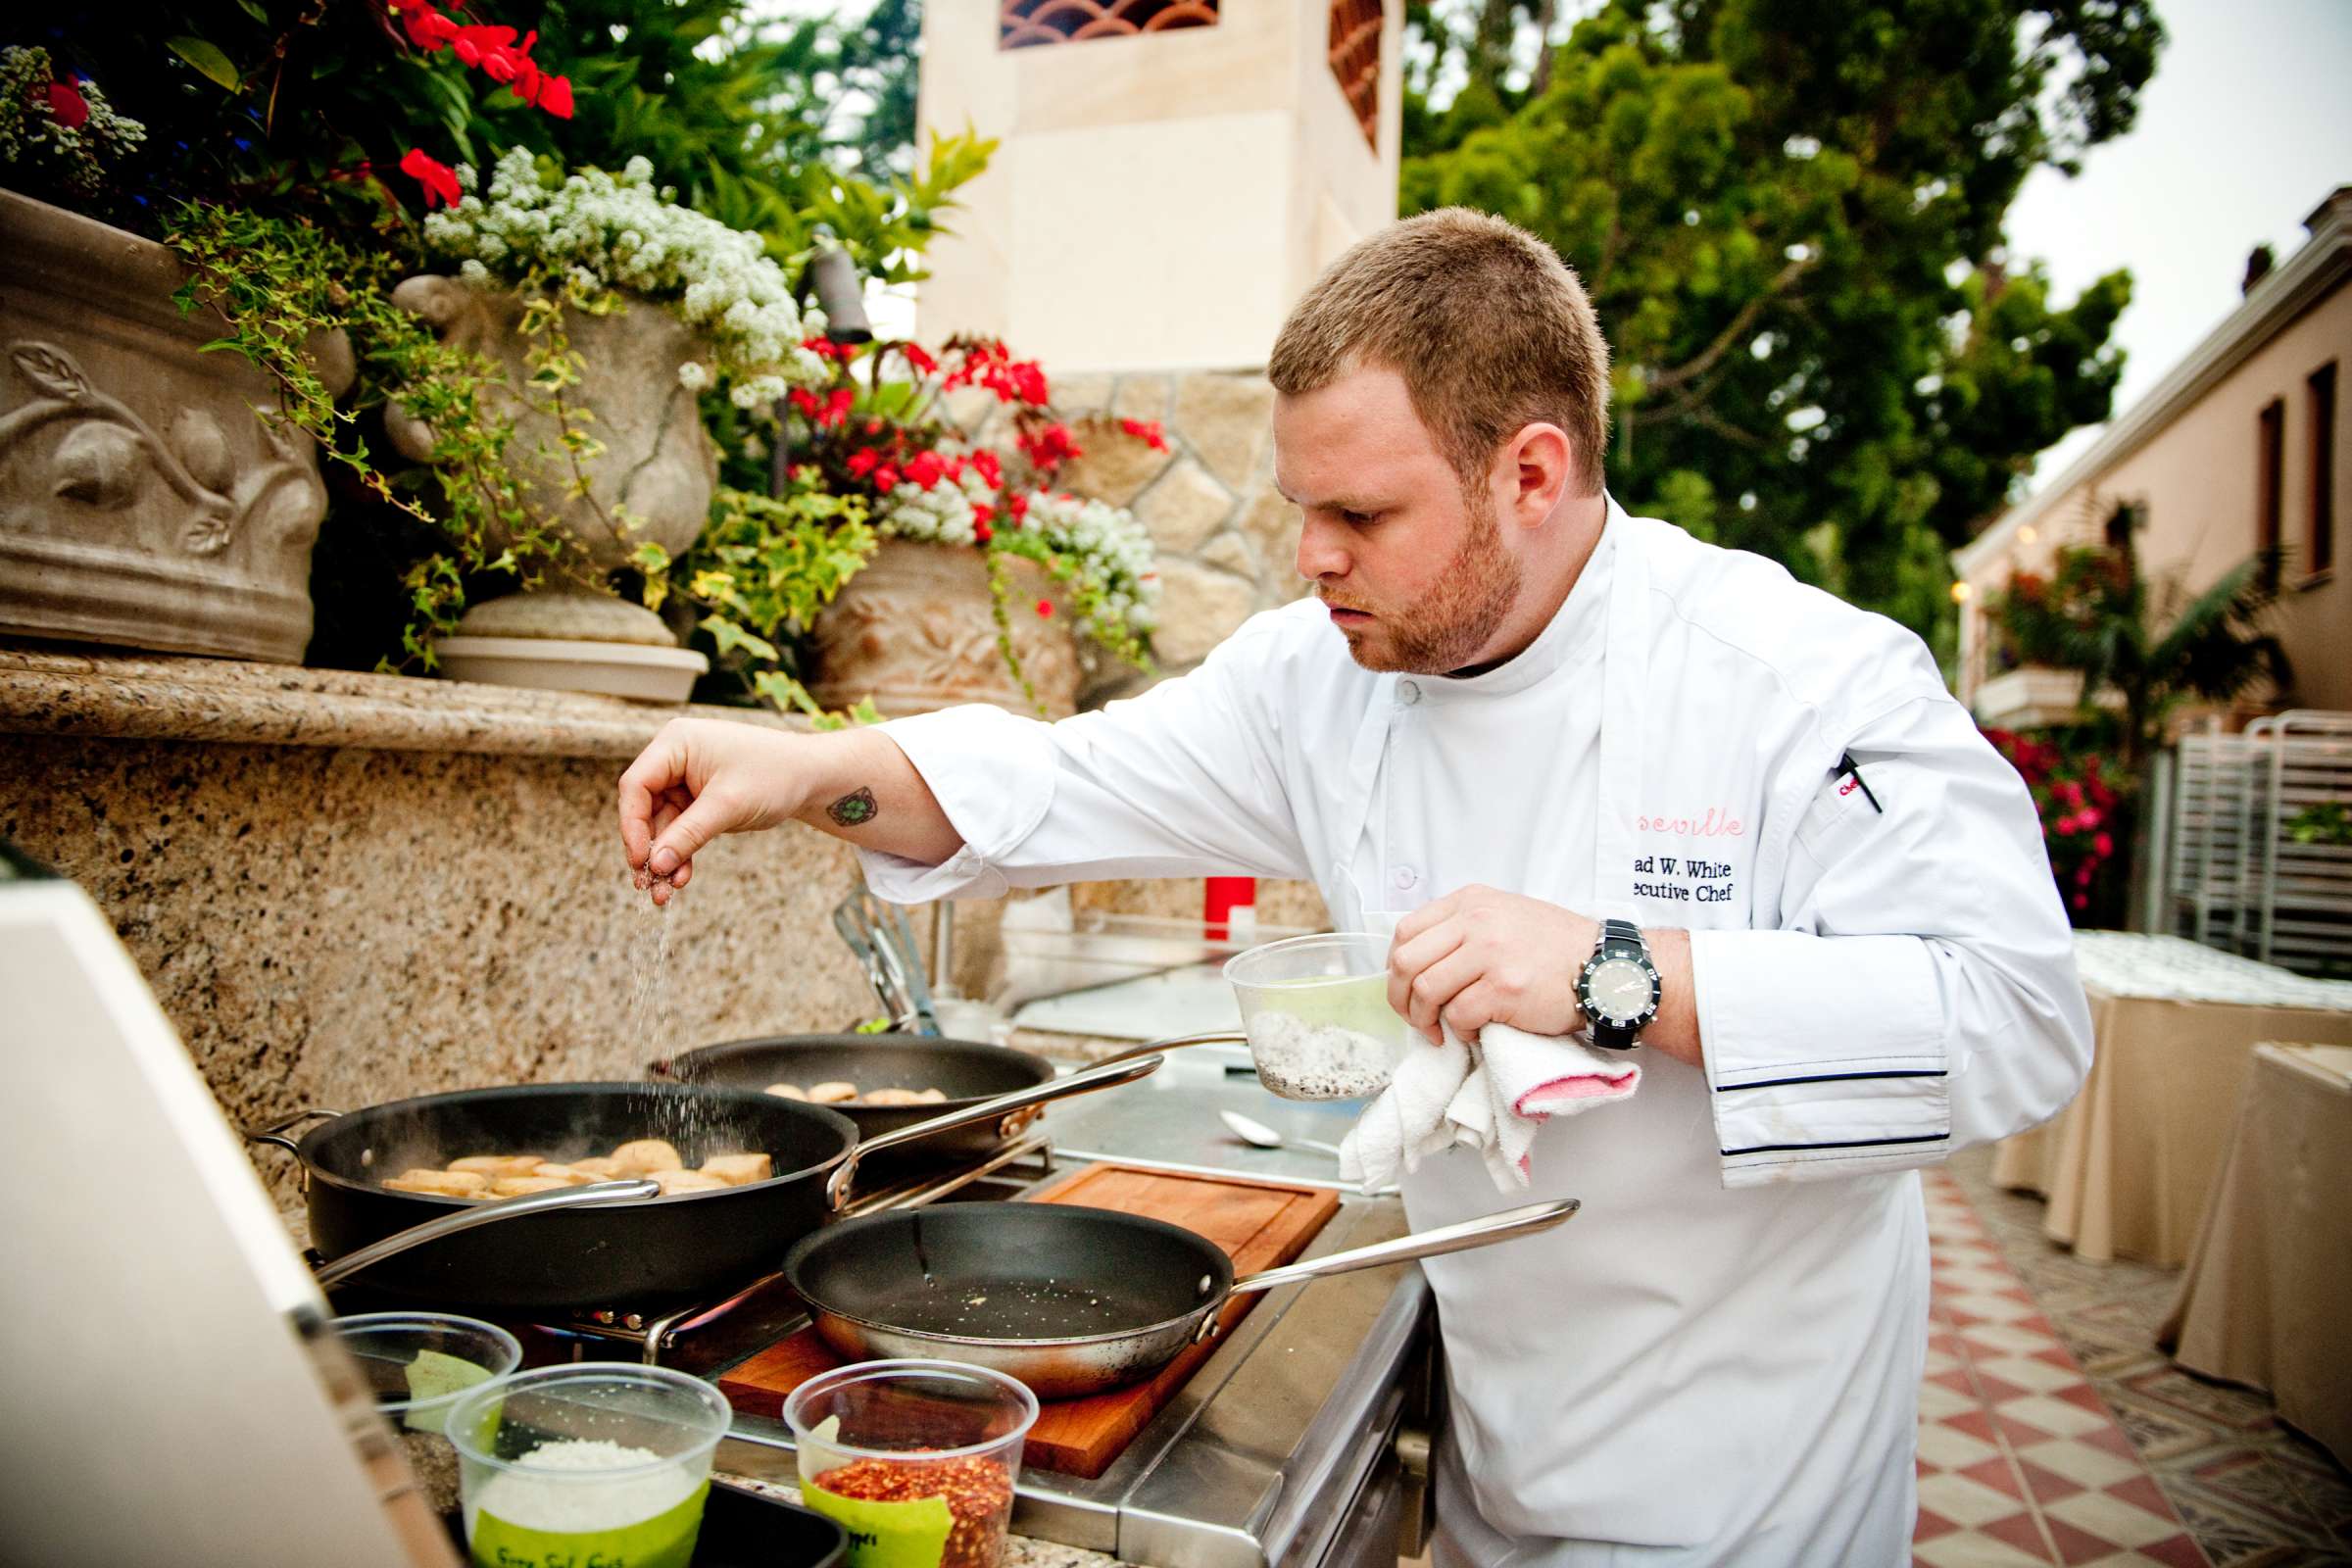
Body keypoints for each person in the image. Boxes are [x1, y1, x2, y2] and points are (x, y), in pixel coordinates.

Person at [617, 209, 2093, 1566]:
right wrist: (809, 767)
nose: (1311, 558)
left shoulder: (1794, 680)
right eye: (1297, 506)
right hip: (1500, 1454)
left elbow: (2019, 1017)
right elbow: (1059, 782)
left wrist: (1610, 973)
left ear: (1532, 470)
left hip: (1750, 1484)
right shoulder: (1318, 679)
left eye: (1363, 516)